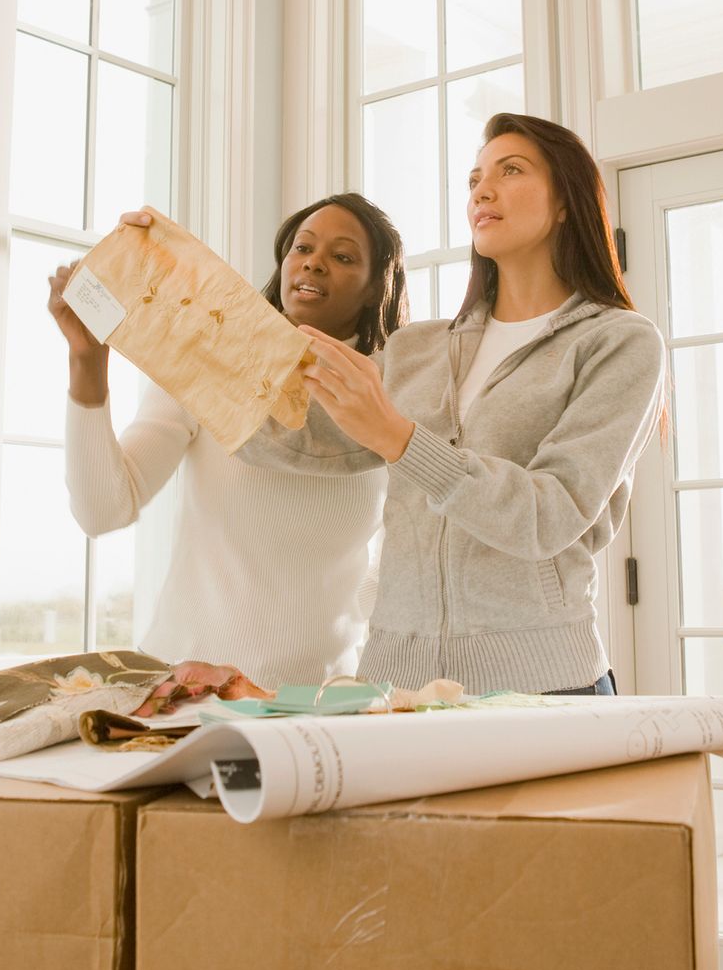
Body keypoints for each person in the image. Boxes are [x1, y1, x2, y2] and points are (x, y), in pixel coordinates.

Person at [246, 113, 666, 696]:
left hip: (543, 689)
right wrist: (162, 318)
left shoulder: (619, 342)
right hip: (396, 689)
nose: (481, 191)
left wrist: (400, 439)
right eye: (473, 180)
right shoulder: (416, 348)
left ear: (567, 201)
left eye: (510, 171)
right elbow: (291, 440)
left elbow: (550, 514)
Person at [47, 194, 407, 687]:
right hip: (186, 692)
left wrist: (342, 648)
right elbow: (102, 509)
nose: (313, 263)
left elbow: (394, 569)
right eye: (302, 248)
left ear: (374, 288)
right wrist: (87, 362)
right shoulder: (207, 367)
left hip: (317, 700)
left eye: (342, 257)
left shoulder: (390, 401)